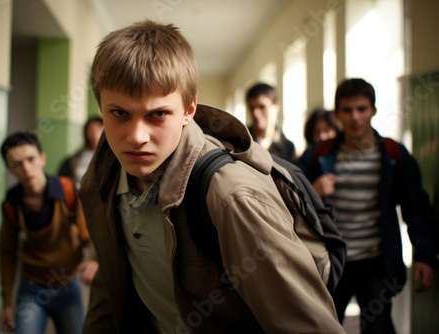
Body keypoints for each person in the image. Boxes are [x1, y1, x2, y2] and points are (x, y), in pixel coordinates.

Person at [80, 20, 344, 333]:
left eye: (157, 114)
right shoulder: (103, 176)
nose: (137, 136)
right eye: (120, 113)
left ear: (189, 109)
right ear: (100, 107)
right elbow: (111, 289)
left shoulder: (232, 197)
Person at [297, 78, 437, 333]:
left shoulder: (393, 155)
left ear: (373, 109)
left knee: (378, 327)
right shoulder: (320, 153)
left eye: (362, 109)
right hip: (331, 260)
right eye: (347, 110)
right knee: (319, 327)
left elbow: (415, 207)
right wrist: (313, 191)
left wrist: (426, 256)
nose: (355, 117)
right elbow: (287, 194)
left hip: (375, 261)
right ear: (337, 114)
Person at [0, 131, 98, 334]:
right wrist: (7, 303)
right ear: (9, 168)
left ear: (42, 158)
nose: (26, 168)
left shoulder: (69, 192)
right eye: (16, 163)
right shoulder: (11, 204)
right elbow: (7, 253)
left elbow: (90, 234)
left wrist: (95, 259)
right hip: (31, 289)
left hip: (69, 284)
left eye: (30, 159)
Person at [245, 83, 296, 162]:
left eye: (262, 107)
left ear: (276, 106)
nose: (256, 113)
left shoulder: (288, 147)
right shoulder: (241, 142)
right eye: (252, 108)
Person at [58, 116, 103, 189]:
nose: (94, 135)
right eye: (91, 130)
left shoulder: (112, 158)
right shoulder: (72, 161)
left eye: (98, 130)